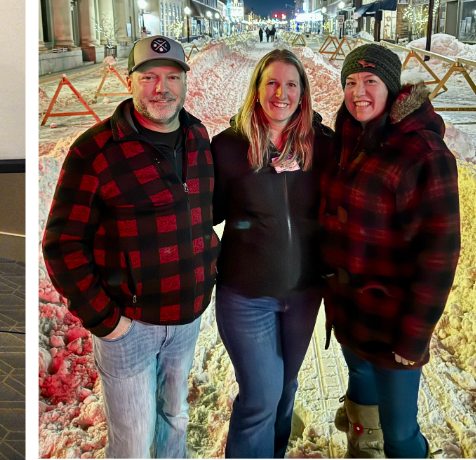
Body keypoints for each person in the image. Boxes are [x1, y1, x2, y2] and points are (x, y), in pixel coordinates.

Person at [42, 36, 220, 459]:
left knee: (175, 416)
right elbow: (61, 245)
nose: (162, 88)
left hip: (186, 317)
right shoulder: (95, 151)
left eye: (172, 77)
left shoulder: (197, 138)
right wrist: (105, 320)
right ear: (130, 81)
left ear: (184, 83)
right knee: (135, 440)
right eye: (150, 77)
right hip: (129, 326)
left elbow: (201, 217)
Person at [320, 44, 460, 458]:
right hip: (351, 314)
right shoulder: (349, 136)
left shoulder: (424, 153)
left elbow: (439, 255)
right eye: (350, 81)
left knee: (400, 433)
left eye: (370, 81)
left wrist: (415, 335)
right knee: (362, 399)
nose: (358, 91)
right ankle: (362, 448)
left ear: (393, 89)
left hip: (393, 324)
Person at [210, 49, 332, 458]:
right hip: (246, 295)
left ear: (303, 92)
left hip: (302, 295)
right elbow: (205, 213)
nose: (282, 93)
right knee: (261, 395)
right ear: (257, 89)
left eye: (292, 84)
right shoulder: (228, 147)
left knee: (286, 388)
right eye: (272, 83)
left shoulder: (323, 145)